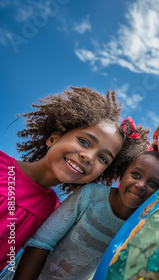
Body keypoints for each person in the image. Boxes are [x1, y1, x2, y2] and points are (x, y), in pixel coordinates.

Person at [0, 87, 148, 271]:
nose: (88, 157)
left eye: (103, 158)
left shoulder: (52, 212)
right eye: (84, 142)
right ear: (53, 138)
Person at [12, 151, 159, 280]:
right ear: (123, 175)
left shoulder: (139, 224)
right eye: (136, 174)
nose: (141, 185)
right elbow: (42, 242)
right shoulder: (91, 195)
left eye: (153, 184)